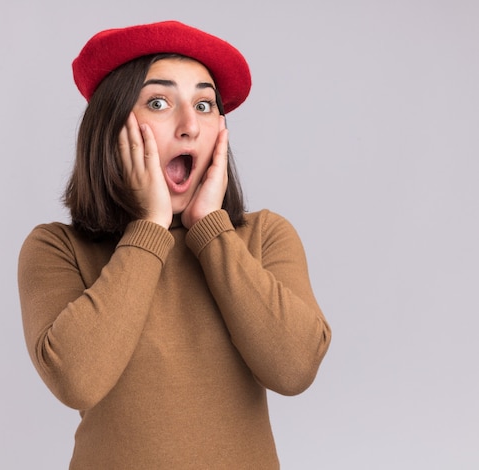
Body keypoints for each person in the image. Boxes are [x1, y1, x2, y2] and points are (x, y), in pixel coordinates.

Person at [18, 20, 331, 469]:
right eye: (160, 102)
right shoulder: (56, 248)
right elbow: (75, 381)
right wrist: (149, 227)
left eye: (204, 105)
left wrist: (211, 229)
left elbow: (295, 368)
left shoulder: (264, 236)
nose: (189, 126)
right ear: (111, 127)